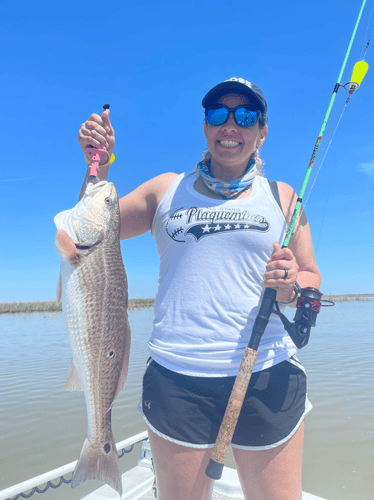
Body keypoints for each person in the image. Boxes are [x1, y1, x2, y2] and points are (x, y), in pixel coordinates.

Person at [77, 77, 321, 500]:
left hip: (267, 372)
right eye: (218, 114)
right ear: (206, 126)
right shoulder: (165, 190)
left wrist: (291, 287)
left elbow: (310, 274)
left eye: (245, 116)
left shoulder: (283, 197)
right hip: (178, 379)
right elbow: (89, 232)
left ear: (262, 132)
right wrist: (98, 162)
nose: (231, 125)